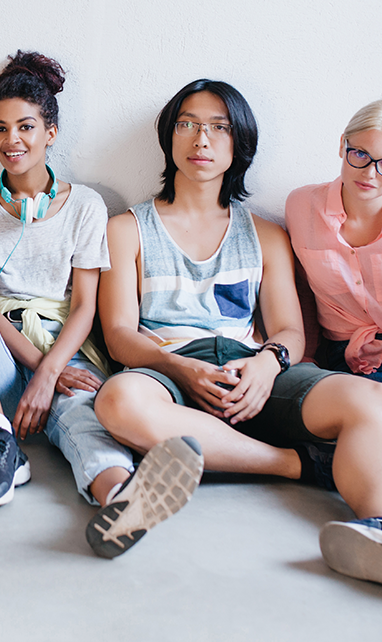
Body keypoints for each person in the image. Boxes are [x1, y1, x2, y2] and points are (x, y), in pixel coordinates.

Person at [90, 78, 382, 586]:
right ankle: (296, 465)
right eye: (188, 125)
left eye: (218, 128)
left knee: (365, 400)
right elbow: (119, 334)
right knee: (117, 402)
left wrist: (268, 363)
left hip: (252, 370)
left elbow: (289, 329)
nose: (201, 140)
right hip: (168, 370)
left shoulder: (266, 234)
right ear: (170, 137)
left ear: (238, 143)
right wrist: (180, 366)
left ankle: (376, 529)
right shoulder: (126, 229)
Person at [0, 50, 137, 513]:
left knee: (82, 418)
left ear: (51, 132)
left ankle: (121, 499)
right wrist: (43, 370)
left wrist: (52, 370)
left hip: (65, 348)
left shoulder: (86, 205)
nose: (11, 140)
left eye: (25, 126)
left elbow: (85, 307)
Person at [286, 100, 382, 381]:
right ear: (342, 145)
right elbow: (303, 287)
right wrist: (305, 357)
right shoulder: (302, 205)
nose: (369, 173)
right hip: (337, 353)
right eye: (360, 154)